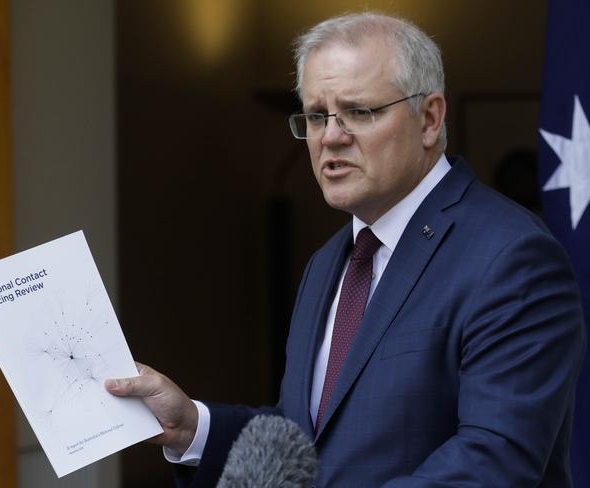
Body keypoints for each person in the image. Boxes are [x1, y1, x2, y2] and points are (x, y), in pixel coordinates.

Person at [105, 12, 586, 487]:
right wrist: (193, 427)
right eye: (317, 116)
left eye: (359, 111)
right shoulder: (330, 261)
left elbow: (494, 464)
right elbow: (310, 439)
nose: (331, 137)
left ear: (430, 118)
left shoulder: (511, 256)